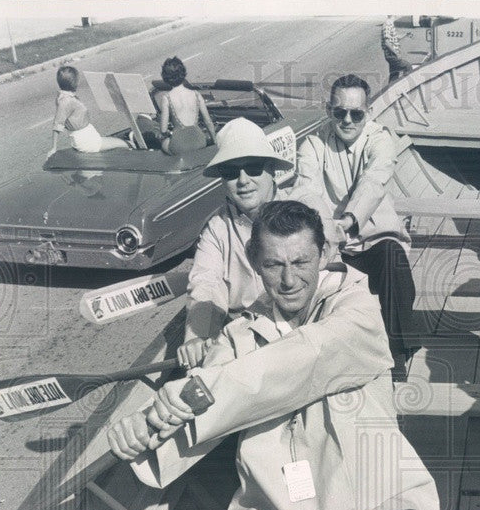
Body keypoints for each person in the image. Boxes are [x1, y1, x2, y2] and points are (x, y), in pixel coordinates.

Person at [107, 201, 448, 510]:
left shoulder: (358, 311)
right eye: (273, 264)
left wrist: (196, 390)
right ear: (254, 263)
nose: (289, 280)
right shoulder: (237, 338)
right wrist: (139, 430)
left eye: (301, 262)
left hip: (372, 501)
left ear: (325, 253)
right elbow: (196, 414)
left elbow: (293, 365)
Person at [179, 117, 335, 369]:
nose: (243, 180)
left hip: (306, 327)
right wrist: (198, 338)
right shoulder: (217, 229)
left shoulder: (308, 206)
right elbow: (205, 284)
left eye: (252, 168)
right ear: (222, 179)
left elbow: (328, 275)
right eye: (231, 172)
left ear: (272, 170)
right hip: (246, 337)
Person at [296, 74, 417, 379]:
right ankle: (316, 356)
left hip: (373, 240)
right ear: (329, 110)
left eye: (356, 113)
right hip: (331, 243)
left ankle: (396, 352)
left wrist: (348, 222)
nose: (347, 120)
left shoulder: (379, 139)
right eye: (340, 112)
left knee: (393, 258)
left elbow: (374, 180)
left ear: (368, 113)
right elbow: (307, 189)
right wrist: (329, 230)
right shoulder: (312, 144)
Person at [48, 65, 131, 158]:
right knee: (126, 144)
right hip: (86, 140)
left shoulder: (65, 97)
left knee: (119, 142)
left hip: (87, 137)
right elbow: (57, 125)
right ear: (74, 82)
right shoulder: (66, 101)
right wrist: (53, 148)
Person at [156, 56, 218, 155]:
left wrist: (167, 134)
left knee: (162, 141)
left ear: (165, 77)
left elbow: (163, 129)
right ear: (183, 74)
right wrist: (215, 141)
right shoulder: (196, 94)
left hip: (179, 146)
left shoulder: (167, 97)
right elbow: (208, 121)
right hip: (199, 141)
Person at [382, 16, 413, 84]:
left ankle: (389, 90)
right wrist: (396, 53)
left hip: (391, 55)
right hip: (391, 55)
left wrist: (406, 34)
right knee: (407, 67)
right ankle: (407, 86)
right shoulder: (387, 25)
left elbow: (395, 37)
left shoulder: (390, 24)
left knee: (394, 73)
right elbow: (386, 42)